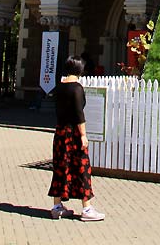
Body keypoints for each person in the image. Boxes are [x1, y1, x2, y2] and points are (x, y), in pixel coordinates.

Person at [48, 55, 105, 221]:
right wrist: (83, 135)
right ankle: (86, 209)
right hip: (73, 134)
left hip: (60, 132)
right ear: (79, 69)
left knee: (60, 167)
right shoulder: (77, 88)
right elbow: (79, 114)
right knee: (82, 169)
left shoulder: (58, 87)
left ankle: (57, 206)